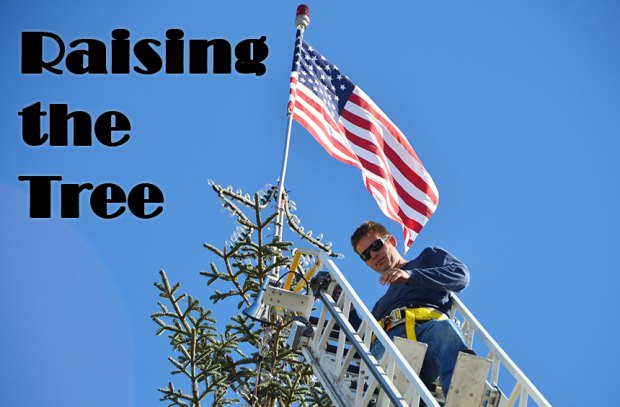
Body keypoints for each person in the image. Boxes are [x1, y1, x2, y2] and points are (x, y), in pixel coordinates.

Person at [351, 220, 470, 396]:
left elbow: (461, 276)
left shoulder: (427, 258)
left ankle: (462, 397)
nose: (374, 254)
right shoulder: (381, 306)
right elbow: (362, 339)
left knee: (446, 330)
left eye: (376, 245)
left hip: (431, 332)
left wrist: (410, 276)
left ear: (391, 241)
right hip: (390, 344)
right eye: (366, 255)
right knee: (375, 371)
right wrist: (347, 308)